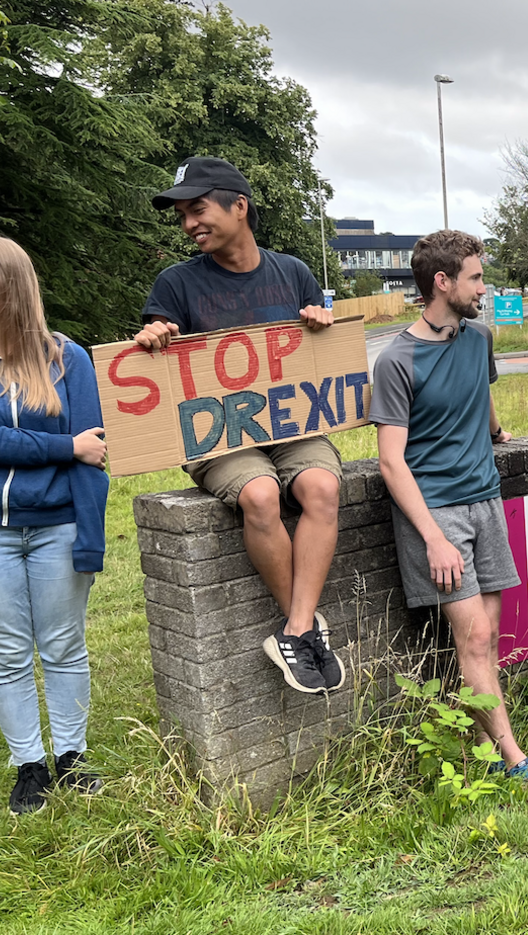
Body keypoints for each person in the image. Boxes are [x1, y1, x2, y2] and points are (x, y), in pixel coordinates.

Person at [136, 157, 344, 695]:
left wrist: (319, 323)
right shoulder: (175, 283)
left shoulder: (293, 271)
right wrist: (155, 337)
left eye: (197, 209)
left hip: (291, 424)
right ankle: (304, 628)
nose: (188, 224)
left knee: (321, 486)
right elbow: (157, 365)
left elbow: (316, 355)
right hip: (218, 435)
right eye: (182, 215)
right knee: (259, 494)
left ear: (239, 206)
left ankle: (296, 631)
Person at [371, 229, 528, 794]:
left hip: (486, 500)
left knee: (488, 635)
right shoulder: (396, 360)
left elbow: (482, 393)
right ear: (442, 282)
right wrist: (433, 538)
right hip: (438, 513)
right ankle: (514, 758)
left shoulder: (479, 338)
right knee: (475, 639)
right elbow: (390, 463)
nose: (485, 286)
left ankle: (480, 748)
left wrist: (498, 432)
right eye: (476, 277)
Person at [0, 235, 110, 814]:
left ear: (11, 279)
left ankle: (70, 758)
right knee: (8, 653)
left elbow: (96, 456)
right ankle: (30, 767)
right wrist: (64, 445)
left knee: (65, 644)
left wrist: (90, 535)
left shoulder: (69, 359)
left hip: (58, 526)